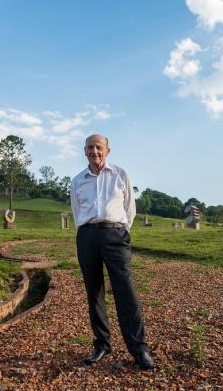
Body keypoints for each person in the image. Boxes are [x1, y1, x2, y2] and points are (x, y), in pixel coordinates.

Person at [70, 134, 154, 370]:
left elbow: (130, 210)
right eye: (89, 147)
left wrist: (120, 231)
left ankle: (139, 349)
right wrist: (87, 232)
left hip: (115, 234)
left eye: (98, 147)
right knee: (94, 291)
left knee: (125, 290)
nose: (94, 151)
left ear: (107, 150)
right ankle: (102, 344)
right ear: (84, 151)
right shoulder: (77, 181)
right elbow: (77, 213)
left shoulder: (120, 174)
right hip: (87, 236)